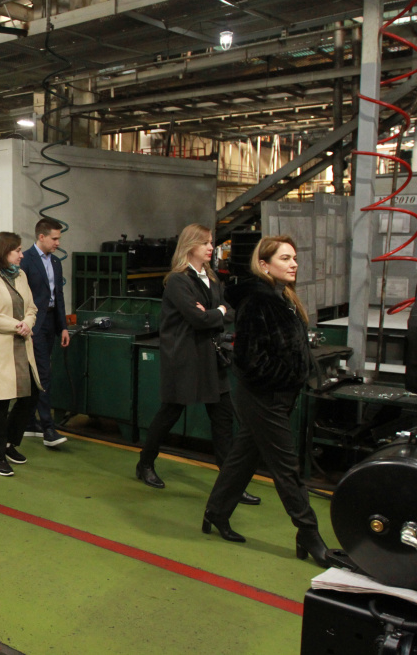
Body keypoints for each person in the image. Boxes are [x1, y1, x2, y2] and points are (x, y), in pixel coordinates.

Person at [202, 235, 329, 567]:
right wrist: (289, 376)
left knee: (244, 457)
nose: (293, 264)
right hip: (264, 397)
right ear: (264, 265)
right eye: (285, 258)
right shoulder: (259, 301)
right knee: (287, 468)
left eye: (294, 258)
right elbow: (248, 360)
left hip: (279, 395)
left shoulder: (282, 297)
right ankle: (309, 533)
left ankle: (216, 512)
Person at [135, 224, 260, 505]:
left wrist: (218, 311)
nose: (210, 248)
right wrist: (218, 312)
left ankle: (231, 484)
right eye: (205, 243)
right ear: (190, 245)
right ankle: (145, 463)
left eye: (211, 242)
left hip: (211, 357)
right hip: (185, 358)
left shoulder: (211, 278)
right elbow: (198, 319)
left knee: (223, 419)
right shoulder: (178, 281)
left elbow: (229, 311)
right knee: (170, 413)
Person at [0, 232, 41, 477]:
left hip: (22, 345)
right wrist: (17, 326)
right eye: (17, 250)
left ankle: (9, 442)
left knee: (30, 395)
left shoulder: (20, 275)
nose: (21, 255)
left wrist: (28, 323)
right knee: (0, 402)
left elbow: (31, 308)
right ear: (3, 252)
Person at [19, 218, 69, 448]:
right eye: (54, 238)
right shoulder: (26, 260)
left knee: (39, 373)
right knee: (42, 374)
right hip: (34, 323)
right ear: (41, 236)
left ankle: (29, 422)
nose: (58, 243)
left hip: (50, 322)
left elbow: (58, 296)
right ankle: (48, 427)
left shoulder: (56, 262)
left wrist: (63, 326)